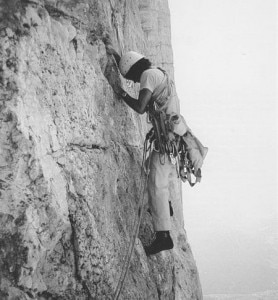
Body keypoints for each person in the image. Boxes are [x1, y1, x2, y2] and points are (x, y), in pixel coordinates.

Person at [107, 49, 182, 256]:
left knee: (157, 182)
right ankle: (166, 207)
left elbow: (141, 107)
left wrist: (120, 91)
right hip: (169, 136)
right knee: (152, 169)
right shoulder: (156, 71)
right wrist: (114, 52)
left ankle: (163, 237)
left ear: (134, 70)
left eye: (131, 77)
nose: (133, 81)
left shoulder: (148, 76)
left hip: (165, 139)